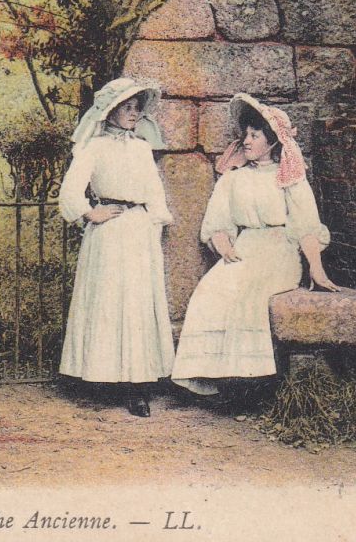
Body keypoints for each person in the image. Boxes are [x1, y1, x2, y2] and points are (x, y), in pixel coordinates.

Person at [171, 93, 337, 398]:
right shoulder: (233, 179)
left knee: (250, 292)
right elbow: (218, 221)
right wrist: (223, 245)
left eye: (254, 135)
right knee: (210, 289)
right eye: (245, 135)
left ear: (272, 142)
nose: (246, 141)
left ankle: (250, 383)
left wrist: (316, 267)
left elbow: (306, 225)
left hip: (279, 250)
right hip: (245, 248)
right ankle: (216, 379)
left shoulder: (288, 178)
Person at [58, 77, 175, 416]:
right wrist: (90, 212)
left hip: (138, 232)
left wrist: (154, 221)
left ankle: (137, 386)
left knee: (137, 304)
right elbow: (70, 190)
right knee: (110, 302)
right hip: (109, 232)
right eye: (127, 107)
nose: (134, 113)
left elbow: (154, 191)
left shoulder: (141, 148)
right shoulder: (94, 147)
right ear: (110, 111)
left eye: (137, 107)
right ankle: (103, 379)